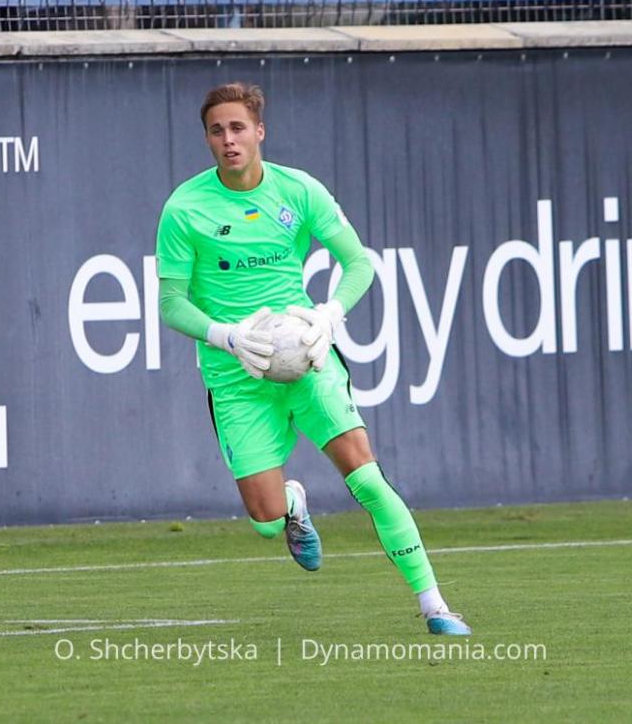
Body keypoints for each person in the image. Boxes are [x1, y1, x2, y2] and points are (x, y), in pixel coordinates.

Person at [155, 82, 470, 636]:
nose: (228, 139)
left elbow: (358, 264)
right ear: (207, 138)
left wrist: (328, 316)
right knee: (264, 519)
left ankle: (436, 606)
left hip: (307, 359)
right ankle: (292, 504)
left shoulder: (299, 191)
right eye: (216, 130)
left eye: (238, 127)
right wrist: (226, 336)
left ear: (259, 131)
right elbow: (170, 303)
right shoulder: (184, 208)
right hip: (236, 376)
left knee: (367, 478)